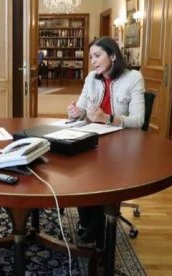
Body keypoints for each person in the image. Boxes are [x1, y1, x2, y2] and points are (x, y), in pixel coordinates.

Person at [66, 36, 145, 245]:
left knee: (99, 175)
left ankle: (95, 232)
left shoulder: (134, 78)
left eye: (97, 55)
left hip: (120, 145)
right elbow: (83, 110)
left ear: (112, 55)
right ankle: (88, 225)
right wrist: (75, 112)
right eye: (91, 56)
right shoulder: (92, 78)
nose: (93, 61)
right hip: (92, 139)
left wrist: (107, 118)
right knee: (78, 170)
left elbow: (138, 120)